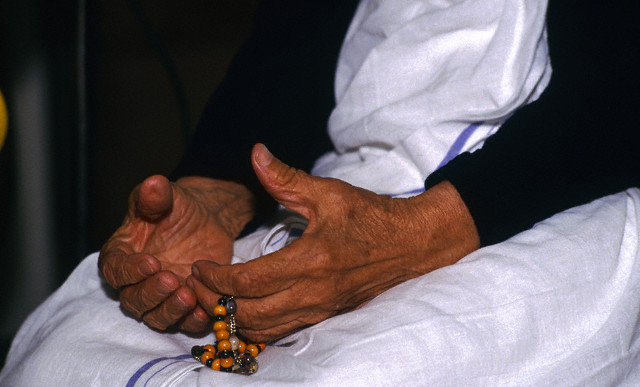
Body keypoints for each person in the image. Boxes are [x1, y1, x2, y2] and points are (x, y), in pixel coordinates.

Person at [99, 0, 640, 342]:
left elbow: (615, 90)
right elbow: (294, 40)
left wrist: (419, 231)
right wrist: (220, 189)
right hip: (341, 181)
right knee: (72, 356)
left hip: (552, 184)